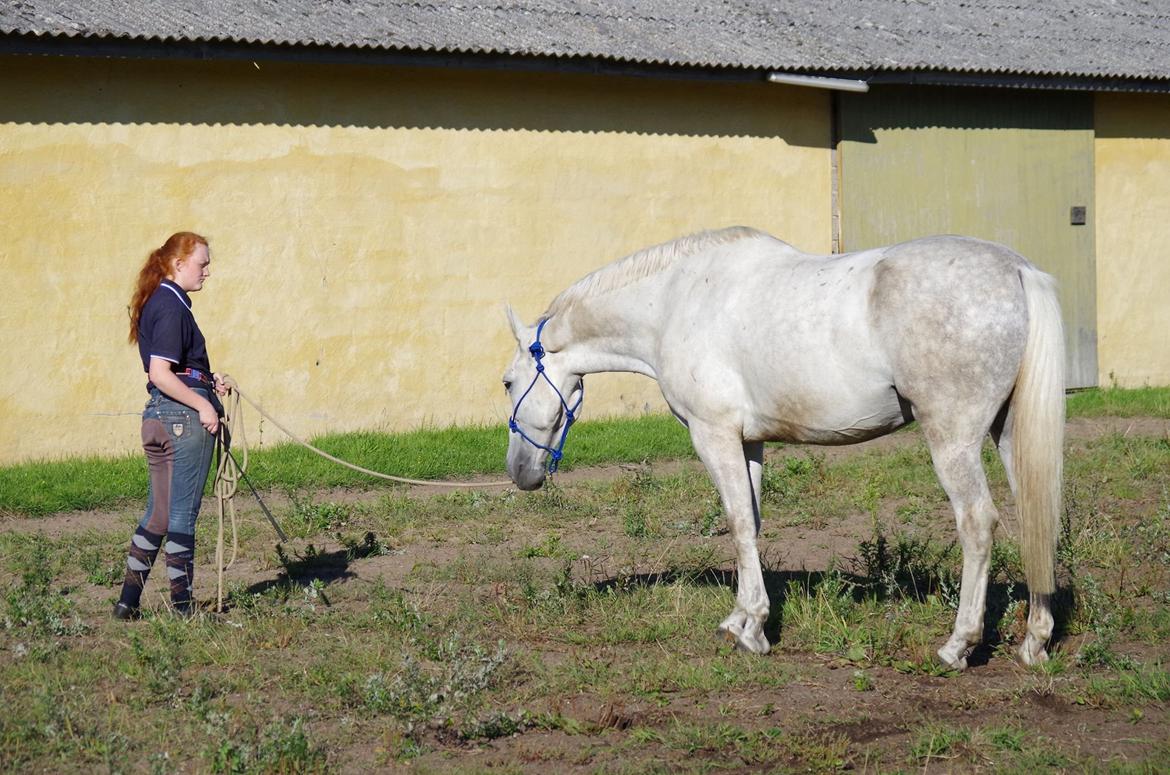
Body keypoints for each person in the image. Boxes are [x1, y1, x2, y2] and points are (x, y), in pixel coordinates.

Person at [114, 232, 227, 619]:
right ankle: (182, 608)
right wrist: (203, 404)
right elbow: (160, 373)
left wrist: (209, 379)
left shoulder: (161, 302)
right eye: (202, 264)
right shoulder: (172, 306)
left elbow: (176, 369)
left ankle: (127, 604)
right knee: (181, 515)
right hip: (181, 419)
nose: (207, 272)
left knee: (158, 515)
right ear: (179, 264)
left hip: (158, 419)